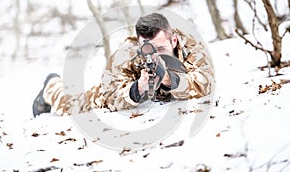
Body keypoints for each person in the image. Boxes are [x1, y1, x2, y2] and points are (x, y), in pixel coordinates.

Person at [32, 13, 214, 117]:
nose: (155, 55)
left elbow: (204, 83)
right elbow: (110, 94)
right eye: (149, 49)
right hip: (128, 85)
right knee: (72, 105)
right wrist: (138, 89)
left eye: (160, 47)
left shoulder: (191, 46)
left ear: (173, 40)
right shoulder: (126, 55)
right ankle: (52, 86)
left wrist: (167, 78)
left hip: (171, 78)